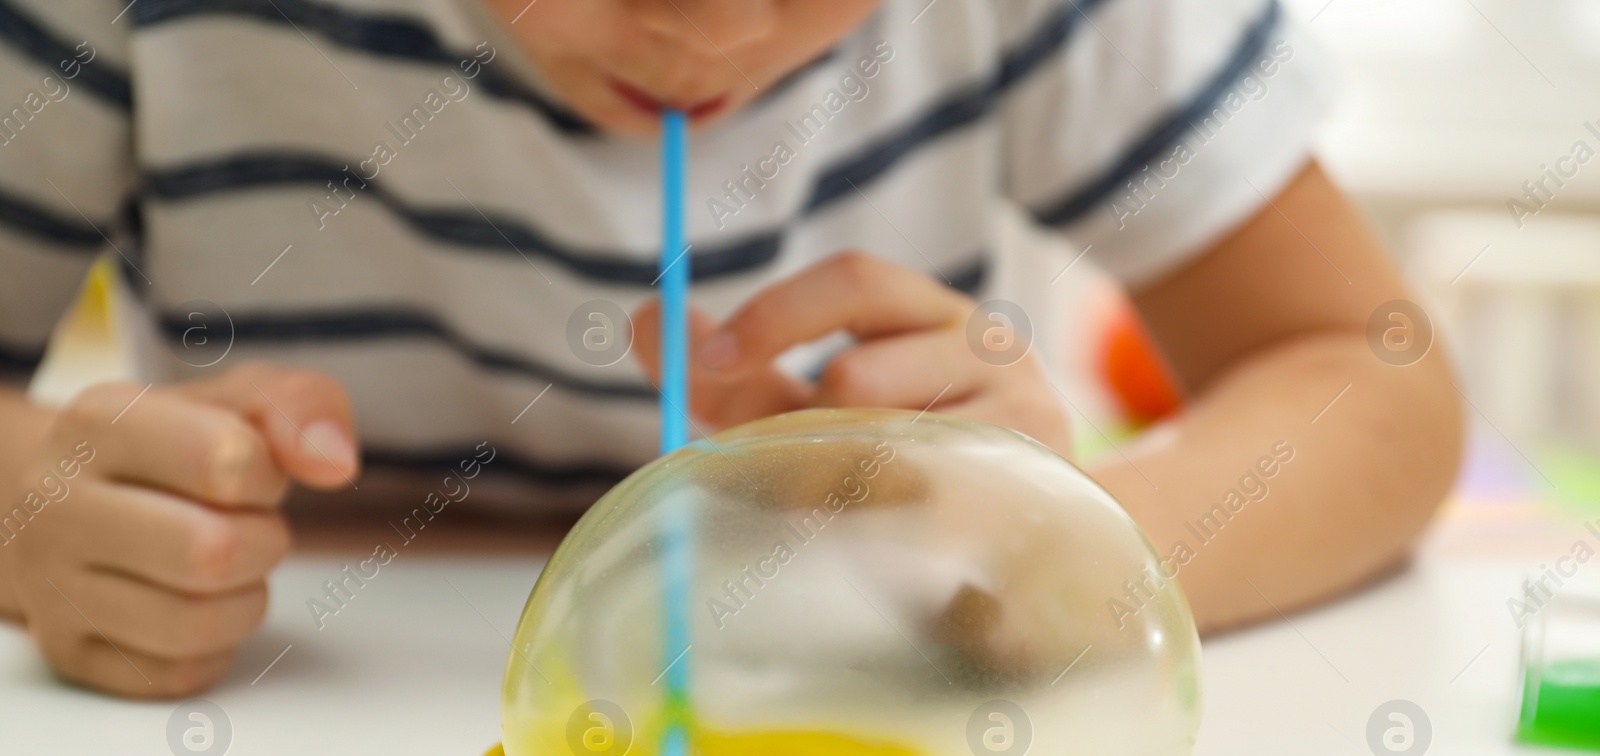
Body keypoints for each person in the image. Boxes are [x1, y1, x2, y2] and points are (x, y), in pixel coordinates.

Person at [0, 0, 1461, 697]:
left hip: (839, 684)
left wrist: (1062, 546)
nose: (709, 25)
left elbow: (1373, 370)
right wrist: (31, 512)